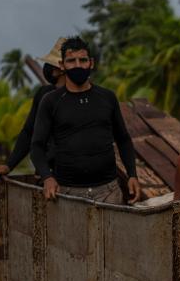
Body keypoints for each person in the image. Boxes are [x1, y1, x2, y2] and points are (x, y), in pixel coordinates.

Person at [30, 37, 141, 204]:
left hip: (109, 192)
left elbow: (123, 139)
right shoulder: (51, 101)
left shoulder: (107, 97)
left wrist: (132, 175)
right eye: (71, 61)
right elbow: (36, 146)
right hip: (67, 194)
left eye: (82, 60)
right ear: (62, 65)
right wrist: (47, 177)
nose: (78, 65)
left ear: (91, 63)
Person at [0, 43, 67, 179]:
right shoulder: (45, 95)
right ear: (58, 69)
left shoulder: (93, 96)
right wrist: (9, 165)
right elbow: (29, 132)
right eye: (71, 62)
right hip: (50, 174)